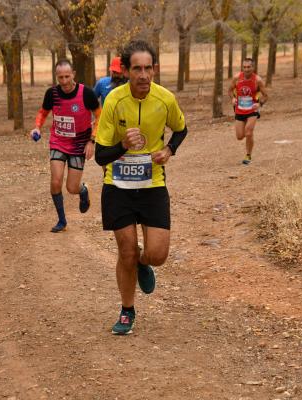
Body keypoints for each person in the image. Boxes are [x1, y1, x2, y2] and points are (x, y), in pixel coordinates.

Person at [94, 40, 187, 335]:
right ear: (126, 70)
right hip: (117, 185)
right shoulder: (114, 101)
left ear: (155, 69)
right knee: (125, 251)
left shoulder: (165, 99)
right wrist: (122, 144)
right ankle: (127, 310)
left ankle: (143, 264)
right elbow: (99, 157)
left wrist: (169, 150)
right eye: (137, 69)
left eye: (149, 68)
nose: (144, 75)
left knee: (157, 254)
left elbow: (181, 128)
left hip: (152, 184)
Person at [30, 60, 101, 232]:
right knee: (55, 182)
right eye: (60, 77)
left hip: (79, 143)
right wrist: (37, 127)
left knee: (71, 188)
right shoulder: (52, 93)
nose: (64, 81)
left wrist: (92, 140)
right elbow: (43, 112)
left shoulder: (86, 93)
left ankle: (83, 191)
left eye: (67, 76)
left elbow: (100, 116)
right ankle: (62, 221)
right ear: (56, 76)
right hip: (58, 142)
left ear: (73, 74)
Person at [228, 58, 268, 165]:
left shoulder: (258, 80)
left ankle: (248, 155)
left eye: (249, 67)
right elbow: (229, 90)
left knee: (249, 132)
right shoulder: (237, 78)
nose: (246, 69)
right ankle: (248, 136)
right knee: (240, 136)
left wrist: (259, 104)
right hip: (239, 110)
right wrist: (232, 98)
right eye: (244, 67)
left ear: (253, 68)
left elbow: (266, 96)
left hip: (252, 109)